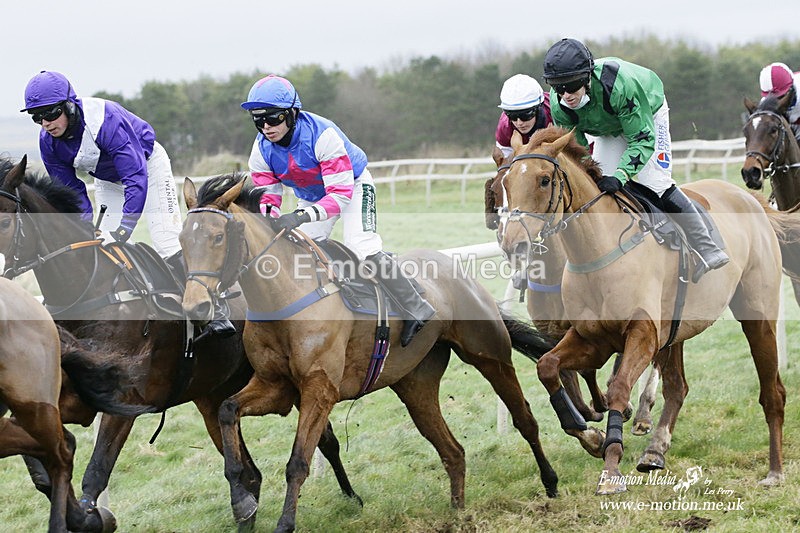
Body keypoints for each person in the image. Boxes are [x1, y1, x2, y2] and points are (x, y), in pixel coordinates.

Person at [21, 70, 234, 339]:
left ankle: (218, 309)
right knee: (103, 245)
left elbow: (136, 177)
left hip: (147, 166)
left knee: (166, 240)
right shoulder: (48, 142)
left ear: (69, 106)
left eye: (50, 113)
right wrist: (86, 228)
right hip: (108, 179)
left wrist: (126, 226)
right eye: (36, 117)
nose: (45, 123)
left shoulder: (105, 120)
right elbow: (71, 192)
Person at [242, 75, 435, 346]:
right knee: (298, 247)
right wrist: (270, 220)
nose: (265, 126)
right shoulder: (260, 149)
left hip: (351, 186)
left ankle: (416, 306)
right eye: (258, 119)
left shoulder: (322, 135)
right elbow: (268, 196)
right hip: (312, 195)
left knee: (361, 246)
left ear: (291, 114)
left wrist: (299, 216)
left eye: (273, 118)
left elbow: (340, 196)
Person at [542, 38, 729, 283]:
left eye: (572, 85)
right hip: (607, 125)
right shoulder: (559, 105)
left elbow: (641, 138)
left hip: (647, 114)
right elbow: (577, 152)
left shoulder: (621, 86)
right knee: (597, 188)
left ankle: (706, 245)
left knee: (655, 181)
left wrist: (620, 176)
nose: (566, 95)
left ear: (587, 77)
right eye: (558, 88)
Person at [493, 74, 552, 166]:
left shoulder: (554, 114)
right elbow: (505, 165)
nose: (519, 123)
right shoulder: (505, 127)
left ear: (538, 108)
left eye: (525, 115)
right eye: (512, 116)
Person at [759, 62, 800, 142]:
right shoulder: (764, 104)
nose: (779, 101)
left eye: (782, 96)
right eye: (773, 98)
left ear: (792, 86)